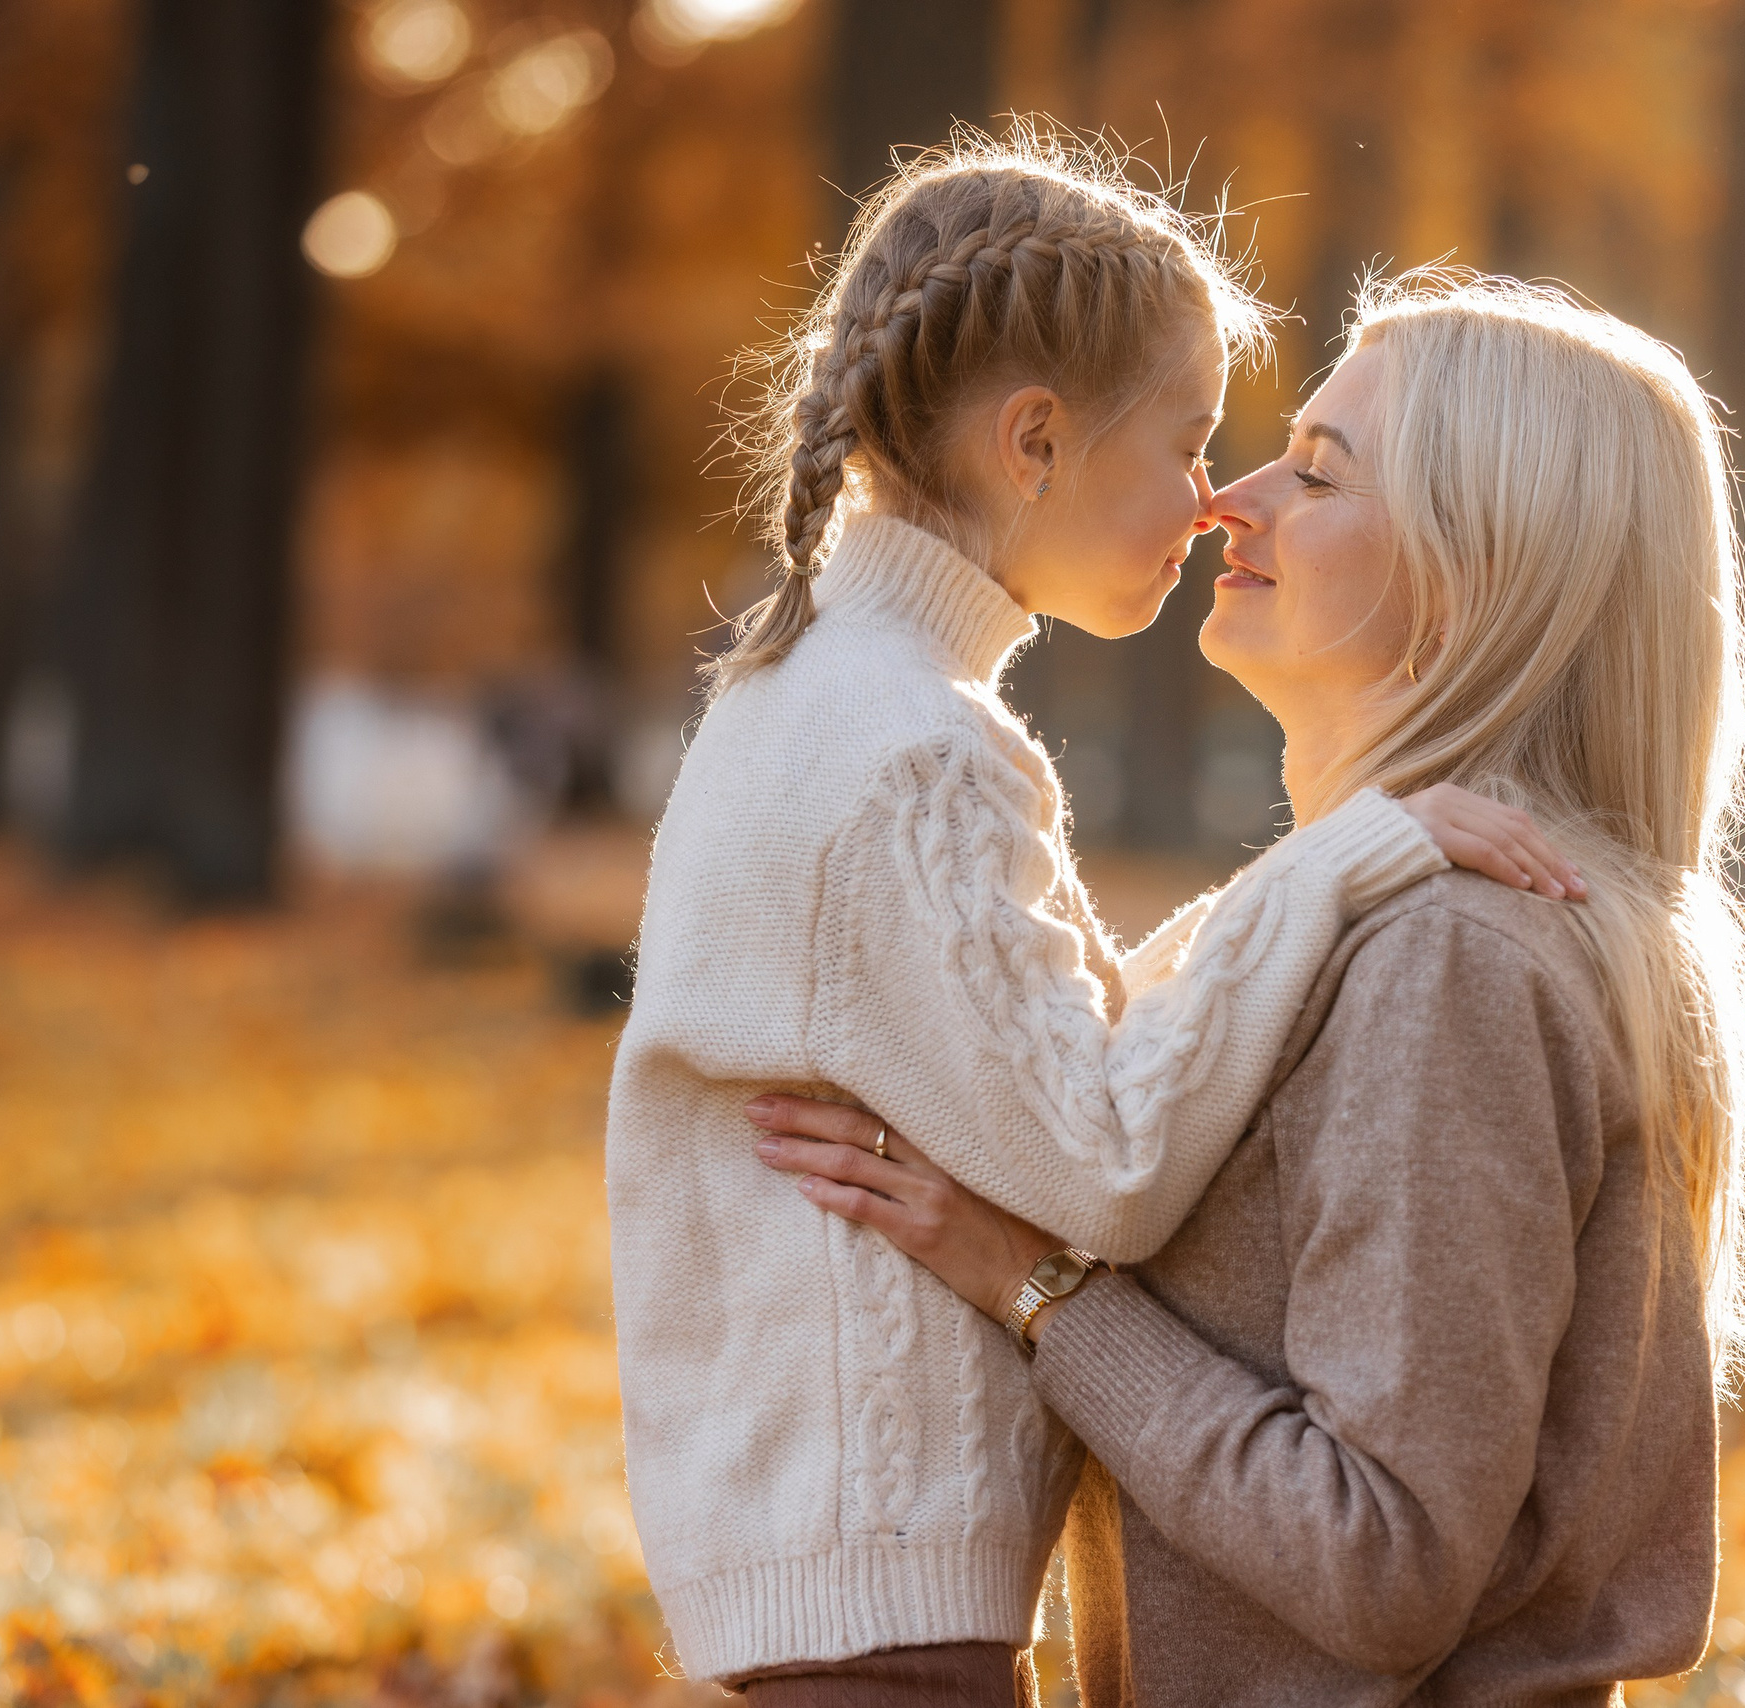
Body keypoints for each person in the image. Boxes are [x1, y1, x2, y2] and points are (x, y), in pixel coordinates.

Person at [607, 138, 1577, 1704]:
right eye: (1190, 443)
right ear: (1036, 442)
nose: (1211, 504)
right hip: (882, 1592)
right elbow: (1105, 1167)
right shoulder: (916, 749)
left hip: (824, 1566)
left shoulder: (817, 695)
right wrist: (1332, 868)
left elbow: (1030, 1066)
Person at [753, 272, 1745, 1705]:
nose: (1226, 500)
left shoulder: (1453, 957)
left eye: (1315, 473)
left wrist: (1042, 1289)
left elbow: (1384, 1560)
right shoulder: (1396, 920)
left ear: (1473, 566)